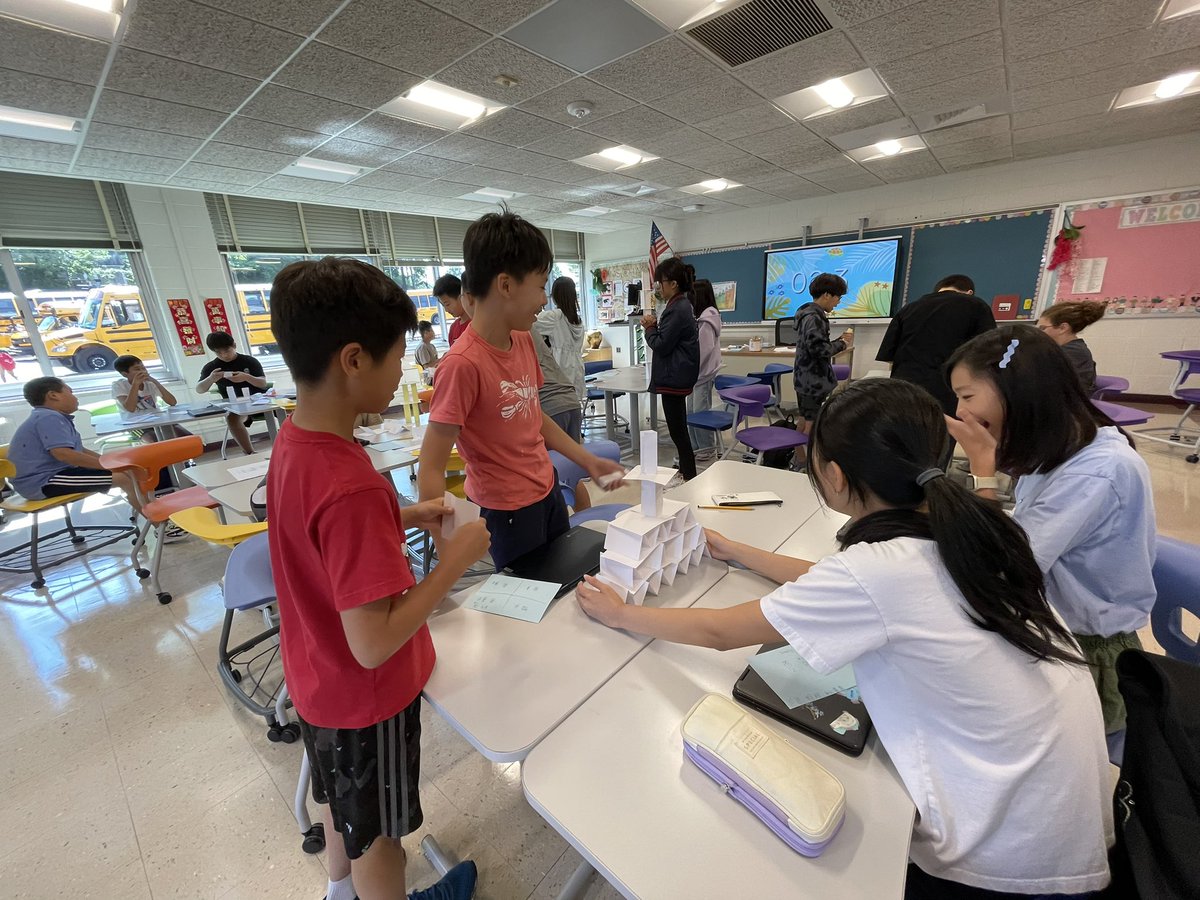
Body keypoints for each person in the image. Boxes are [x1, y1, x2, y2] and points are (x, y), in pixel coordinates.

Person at [576, 378, 1113, 899]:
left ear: (834, 474)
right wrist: (739, 552)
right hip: (1062, 809)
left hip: (1009, 853)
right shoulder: (965, 527)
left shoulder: (879, 569)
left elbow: (719, 631)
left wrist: (621, 614)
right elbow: (837, 583)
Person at [267, 256, 488, 900]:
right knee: (382, 838)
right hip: (366, 698)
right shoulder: (352, 483)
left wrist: (404, 513)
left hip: (316, 679)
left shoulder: (294, 442)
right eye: (397, 357)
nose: (404, 372)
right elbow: (373, 642)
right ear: (354, 360)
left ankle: (339, 893)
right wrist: (455, 561)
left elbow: (319, 538)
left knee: (344, 812)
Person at [946, 325, 1156, 757]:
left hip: (1084, 654)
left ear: (1016, 390)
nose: (961, 412)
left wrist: (984, 471)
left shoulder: (1094, 470)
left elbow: (1003, 572)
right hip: (1048, 626)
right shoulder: (1060, 449)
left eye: (967, 396)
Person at [418, 209, 624, 571]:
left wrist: (586, 459)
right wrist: (446, 550)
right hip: (505, 511)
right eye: (541, 286)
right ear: (506, 285)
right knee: (530, 596)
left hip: (546, 491)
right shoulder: (462, 364)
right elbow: (430, 468)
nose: (545, 299)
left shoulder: (524, 340)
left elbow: (534, 416)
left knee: (566, 579)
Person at [7, 376, 145, 513]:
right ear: (53, 395)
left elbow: (79, 451)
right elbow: (64, 454)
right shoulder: (49, 417)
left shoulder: (50, 416)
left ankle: (150, 513)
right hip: (41, 481)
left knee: (127, 472)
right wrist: (109, 466)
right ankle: (154, 519)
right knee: (123, 478)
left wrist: (112, 464)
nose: (75, 397)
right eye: (70, 392)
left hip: (52, 475)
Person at [877, 274, 996, 415]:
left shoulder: (907, 309)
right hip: (950, 392)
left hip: (905, 390)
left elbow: (889, 356)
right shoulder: (977, 305)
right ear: (970, 292)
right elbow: (988, 353)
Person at [644, 257, 700, 480]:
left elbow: (661, 344)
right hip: (677, 375)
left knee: (678, 433)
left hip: (673, 378)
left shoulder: (677, 308)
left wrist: (650, 327)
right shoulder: (681, 305)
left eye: (661, 282)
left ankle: (689, 477)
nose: (659, 287)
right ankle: (686, 473)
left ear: (674, 284)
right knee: (679, 431)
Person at [793, 274, 853, 430]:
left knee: (804, 418)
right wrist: (842, 344)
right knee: (811, 425)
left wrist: (839, 340)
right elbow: (820, 350)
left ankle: (799, 447)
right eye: (838, 297)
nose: (838, 302)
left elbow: (816, 344)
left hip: (805, 378)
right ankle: (808, 447)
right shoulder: (815, 318)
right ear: (827, 295)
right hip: (813, 380)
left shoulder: (806, 314)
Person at [196, 332, 268, 456]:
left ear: (234, 345)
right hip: (237, 407)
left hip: (260, 402)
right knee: (232, 419)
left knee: (289, 409)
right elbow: (199, 389)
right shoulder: (212, 367)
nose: (224, 355)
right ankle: (250, 452)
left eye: (227, 350)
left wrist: (246, 377)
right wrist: (210, 379)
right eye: (218, 352)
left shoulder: (249, 361)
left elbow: (263, 383)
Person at [112, 354, 192, 444]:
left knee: (188, 438)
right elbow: (130, 408)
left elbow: (172, 402)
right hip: (134, 424)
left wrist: (155, 382)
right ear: (125, 374)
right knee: (154, 441)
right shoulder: (118, 385)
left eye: (143, 368)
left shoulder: (149, 383)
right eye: (137, 369)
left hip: (157, 419)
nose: (143, 371)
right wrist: (135, 384)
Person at [534, 276, 586, 405]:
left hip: (560, 366)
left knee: (560, 405)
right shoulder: (577, 319)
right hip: (577, 368)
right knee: (573, 404)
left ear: (555, 295)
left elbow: (528, 323)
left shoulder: (554, 316)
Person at [1037, 301, 1106, 395]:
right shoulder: (1065, 348)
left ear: (1063, 328)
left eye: (1042, 328)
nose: (1038, 332)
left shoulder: (1073, 352)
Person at [687, 278, 722, 461]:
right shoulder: (702, 317)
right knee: (691, 412)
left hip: (702, 373)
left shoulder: (707, 319)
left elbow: (703, 350)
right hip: (696, 374)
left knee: (700, 413)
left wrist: (690, 367)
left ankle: (706, 448)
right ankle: (696, 447)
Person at [534, 324, 583, 443]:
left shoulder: (520, 332)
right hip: (570, 399)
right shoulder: (530, 332)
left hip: (549, 405)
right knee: (571, 453)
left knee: (553, 455)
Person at [434, 274, 470, 347]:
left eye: (447, 304)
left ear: (461, 298)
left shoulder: (476, 325)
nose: (446, 310)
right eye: (443, 305)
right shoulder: (453, 328)